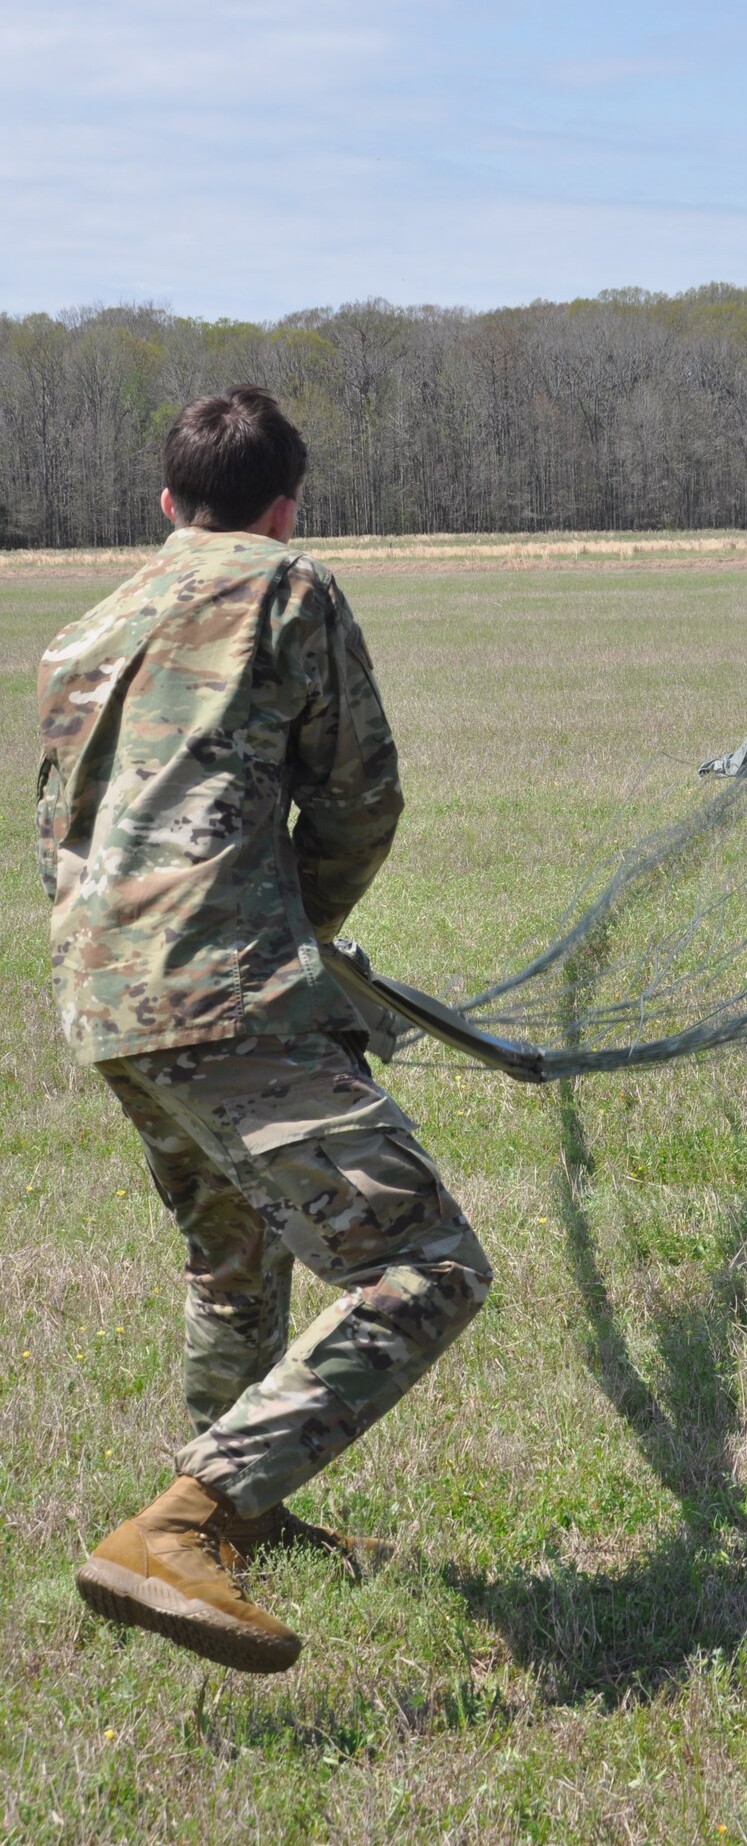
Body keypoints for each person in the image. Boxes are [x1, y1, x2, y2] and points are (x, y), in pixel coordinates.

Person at [36, 386, 492, 1675]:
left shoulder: (82, 628)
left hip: (106, 999)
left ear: (168, 504)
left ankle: (256, 1522)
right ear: (285, 503)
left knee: (234, 1256)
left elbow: (61, 828)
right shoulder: (289, 586)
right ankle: (192, 1519)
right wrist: (301, 935)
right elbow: (360, 793)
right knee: (426, 1266)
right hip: (226, 989)